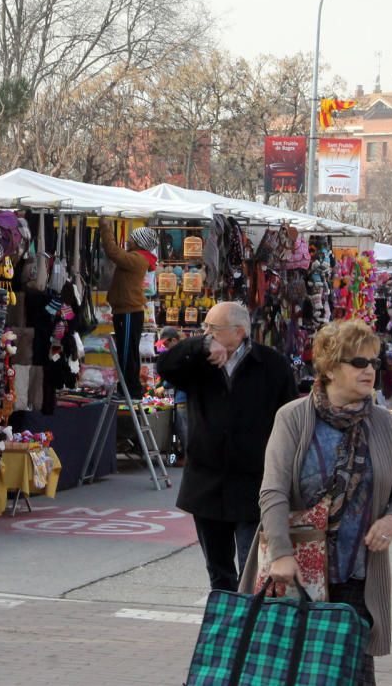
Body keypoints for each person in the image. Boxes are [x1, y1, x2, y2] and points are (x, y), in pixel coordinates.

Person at [240, 319, 392, 684]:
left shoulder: (382, 423)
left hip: (356, 577)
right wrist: (281, 553)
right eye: (359, 362)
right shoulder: (293, 417)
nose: (370, 370)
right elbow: (272, 491)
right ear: (330, 367)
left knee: (352, 674)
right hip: (295, 573)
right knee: (287, 671)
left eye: (374, 362)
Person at [157, 302, 296, 591]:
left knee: (252, 568)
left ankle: (249, 628)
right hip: (207, 483)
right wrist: (202, 344)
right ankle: (226, 627)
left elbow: (290, 419)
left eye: (214, 329)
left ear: (239, 332)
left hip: (253, 483)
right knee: (219, 572)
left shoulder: (272, 364)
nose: (207, 332)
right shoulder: (199, 362)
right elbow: (165, 366)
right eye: (205, 327)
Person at [99, 219, 157, 399]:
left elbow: (113, 252)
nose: (128, 241)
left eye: (132, 239)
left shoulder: (137, 259)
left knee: (126, 353)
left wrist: (105, 227)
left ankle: (127, 389)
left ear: (139, 242)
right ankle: (130, 388)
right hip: (126, 311)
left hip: (129, 312)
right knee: (128, 352)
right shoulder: (137, 258)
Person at [155, 326, 187, 466]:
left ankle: (189, 458)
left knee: (184, 429)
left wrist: (164, 386)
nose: (165, 347)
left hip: (184, 398)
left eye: (166, 344)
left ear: (174, 340)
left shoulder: (182, 353)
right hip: (182, 396)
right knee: (182, 429)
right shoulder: (180, 352)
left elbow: (178, 372)